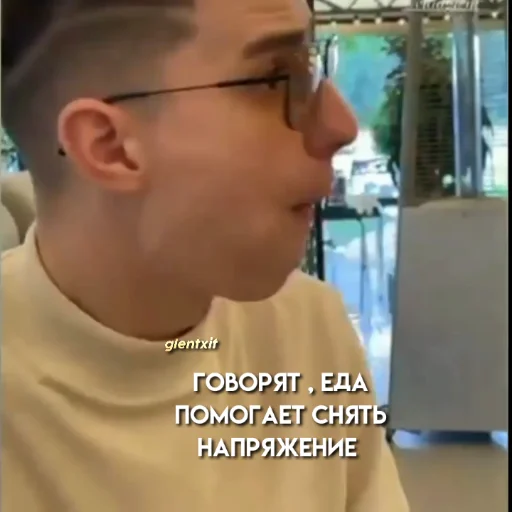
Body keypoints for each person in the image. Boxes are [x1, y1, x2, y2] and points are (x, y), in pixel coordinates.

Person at [1, 1, 409, 510]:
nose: (341, 124)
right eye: (275, 78)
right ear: (110, 146)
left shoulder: (308, 325)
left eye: (309, 67)